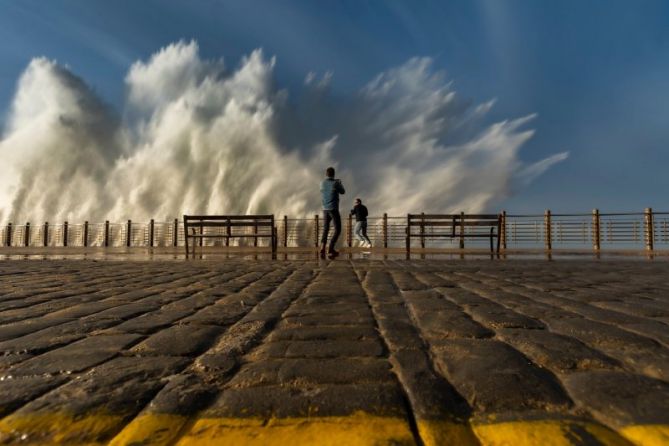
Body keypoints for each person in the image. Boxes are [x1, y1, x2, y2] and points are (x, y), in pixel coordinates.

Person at [319, 167, 345, 259]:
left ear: (326, 174)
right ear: (333, 174)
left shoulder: (322, 183)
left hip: (325, 209)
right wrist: (339, 183)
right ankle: (330, 248)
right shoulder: (336, 183)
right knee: (338, 229)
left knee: (326, 229)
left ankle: (322, 247)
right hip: (333, 209)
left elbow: (324, 191)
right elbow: (343, 191)